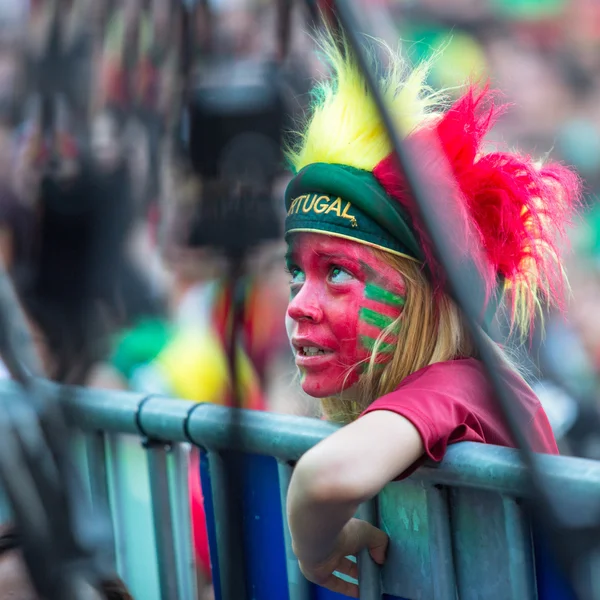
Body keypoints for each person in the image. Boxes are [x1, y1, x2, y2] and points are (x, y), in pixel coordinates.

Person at [283, 32, 580, 597]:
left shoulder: (463, 384)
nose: (299, 302)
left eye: (338, 272)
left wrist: (315, 549)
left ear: (422, 294)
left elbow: (324, 479)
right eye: (296, 272)